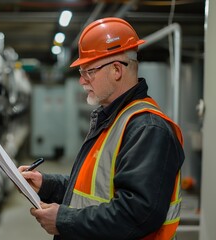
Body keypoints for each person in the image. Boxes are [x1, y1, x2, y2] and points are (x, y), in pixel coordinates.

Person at [19, 17, 184, 240]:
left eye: (89, 71)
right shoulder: (113, 119)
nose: (82, 81)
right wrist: (46, 184)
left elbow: (137, 214)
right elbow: (96, 189)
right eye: (82, 72)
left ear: (116, 70)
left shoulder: (147, 128)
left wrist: (64, 220)